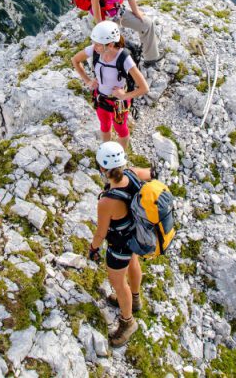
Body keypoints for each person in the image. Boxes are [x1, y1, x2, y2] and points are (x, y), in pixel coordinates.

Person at [87, 141, 155, 347]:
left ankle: (127, 322)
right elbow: (153, 174)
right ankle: (135, 299)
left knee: (118, 283)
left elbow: (101, 232)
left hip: (119, 245)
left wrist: (93, 248)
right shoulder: (133, 173)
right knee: (133, 264)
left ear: (102, 168)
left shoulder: (107, 201)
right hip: (135, 234)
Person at [72, 21, 149, 148]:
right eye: (94, 43)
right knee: (105, 125)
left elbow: (144, 88)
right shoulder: (95, 50)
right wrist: (88, 81)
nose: (94, 47)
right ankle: (106, 150)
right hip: (101, 98)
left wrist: (124, 96)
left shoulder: (124, 59)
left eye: (98, 45)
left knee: (121, 129)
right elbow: (75, 60)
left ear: (111, 44)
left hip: (118, 103)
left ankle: (120, 156)